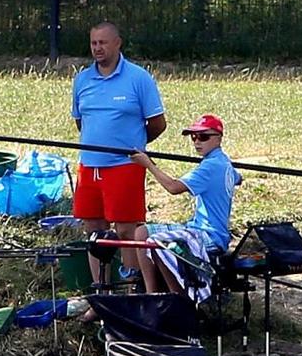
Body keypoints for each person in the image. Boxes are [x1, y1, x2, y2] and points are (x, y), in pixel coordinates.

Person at [71, 22, 166, 285]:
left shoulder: (138, 78)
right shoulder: (82, 80)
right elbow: (81, 122)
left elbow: (157, 123)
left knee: (126, 227)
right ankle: (100, 288)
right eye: (93, 43)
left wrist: (133, 147)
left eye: (103, 43)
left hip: (124, 166)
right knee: (93, 228)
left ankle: (130, 283)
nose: (97, 48)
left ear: (117, 43)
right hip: (89, 166)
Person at [129, 114, 243, 295]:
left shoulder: (211, 166)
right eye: (194, 137)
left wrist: (148, 164)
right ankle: (151, 292)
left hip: (209, 235)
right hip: (197, 227)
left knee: (159, 244)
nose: (198, 142)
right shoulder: (223, 162)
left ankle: (177, 297)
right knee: (141, 232)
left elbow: (173, 188)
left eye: (204, 137)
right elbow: (239, 179)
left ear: (219, 138)